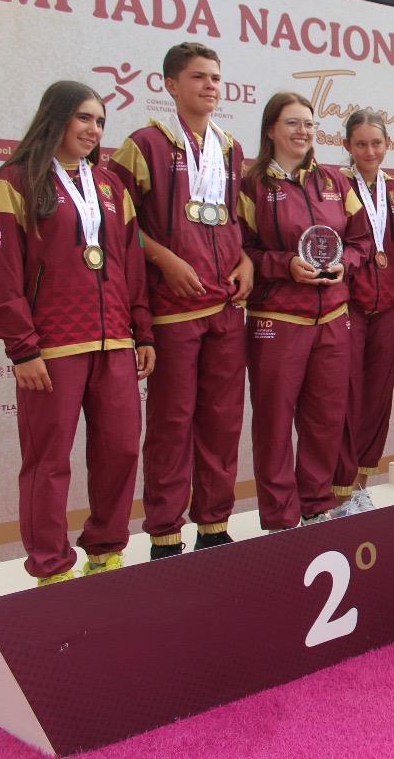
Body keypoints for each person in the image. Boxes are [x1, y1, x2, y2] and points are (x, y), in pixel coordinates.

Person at [0, 81, 155, 584]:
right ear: (55, 118)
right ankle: (51, 565)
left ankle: (106, 550)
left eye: (100, 121)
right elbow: (0, 274)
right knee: (48, 460)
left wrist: (143, 332)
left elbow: (131, 264)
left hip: (115, 342)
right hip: (51, 348)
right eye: (84, 118)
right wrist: (23, 349)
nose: (94, 129)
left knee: (120, 450)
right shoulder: (14, 182)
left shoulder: (110, 186)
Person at [108, 43, 249, 558]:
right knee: (171, 423)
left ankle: (214, 524)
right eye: (198, 77)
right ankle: (165, 532)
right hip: (172, 309)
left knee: (222, 421)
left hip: (226, 307)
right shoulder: (143, 145)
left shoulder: (230, 148)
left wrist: (246, 260)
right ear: (170, 85)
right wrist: (164, 259)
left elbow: (232, 219)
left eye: (215, 77)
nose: (210, 86)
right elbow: (115, 223)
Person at [239, 92, 372, 531]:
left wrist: (344, 263)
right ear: (271, 129)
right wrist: (284, 265)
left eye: (310, 124)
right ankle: (280, 518)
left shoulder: (335, 181)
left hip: (332, 317)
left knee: (325, 419)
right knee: (274, 423)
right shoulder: (252, 184)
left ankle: (316, 506)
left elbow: (361, 240)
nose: (303, 132)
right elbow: (240, 250)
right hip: (278, 319)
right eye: (293, 123)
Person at [329, 109, 394, 516]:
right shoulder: (334, 185)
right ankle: (338, 491)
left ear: (388, 144)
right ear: (347, 145)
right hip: (350, 304)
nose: (370, 151)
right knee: (345, 399)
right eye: (360, 144)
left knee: (377, 400)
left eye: (376, 143)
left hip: (389, 306)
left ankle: (359, 485)